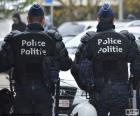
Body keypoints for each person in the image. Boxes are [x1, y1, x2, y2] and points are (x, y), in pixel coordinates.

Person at [0, 4, 72, 116]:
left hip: (21, 95)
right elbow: (66, 65)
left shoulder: (15, 39)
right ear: (43, 20)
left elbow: (2, 65)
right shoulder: (53, 39)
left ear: (28, 19)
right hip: (45, 96)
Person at [71, 3, 140, 116]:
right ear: (114, 19)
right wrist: (133, 83)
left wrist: (89, 87)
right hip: (121, 92)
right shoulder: (125, 39)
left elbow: (77, 69)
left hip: (98, 91)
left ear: (98, 19)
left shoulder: (90, 40)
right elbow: (137, 64)